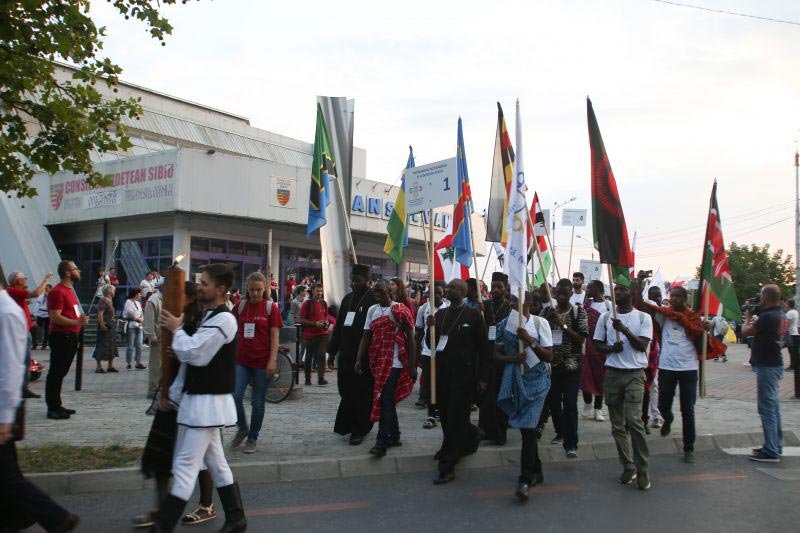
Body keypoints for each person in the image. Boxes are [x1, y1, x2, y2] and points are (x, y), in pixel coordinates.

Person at [157, 263, 246, 532]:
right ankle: (236, 518)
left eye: (205, 283)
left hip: (206, 405)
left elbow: (196, 354)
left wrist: (177, 330)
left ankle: (161, 527)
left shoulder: (224, 319)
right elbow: (188, 362)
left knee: (184, 466)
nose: (199, 286)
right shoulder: (205, 317)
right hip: (197, 402)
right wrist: (172, 396)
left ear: (220, 289)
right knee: (216, 463)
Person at [0, 264, 80, 533]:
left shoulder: (7, 310)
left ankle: (53, 517)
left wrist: (6, 417)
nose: (78, 270)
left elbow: (12, 370)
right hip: (4, 409)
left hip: (3, 410)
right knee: (7, 472)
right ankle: (24, 518)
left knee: (7, 473)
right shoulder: (11, 306)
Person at [133, 281, 217, 529]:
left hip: (196, 398)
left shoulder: (202, 321)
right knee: (161, 457)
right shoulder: (174, 317)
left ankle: (206, 504)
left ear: (189, 298)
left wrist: (179, 345)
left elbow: (200, 354)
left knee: (206, 458)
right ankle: (160, 510)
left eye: (176, 294)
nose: (169, 299)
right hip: (172, 395)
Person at [643, 286, 721, 463]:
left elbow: (702, 331)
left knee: (688, 410)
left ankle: (689, 448)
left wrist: (708, 326)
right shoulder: (664, 315)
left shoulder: (694, 318)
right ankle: (668, 419)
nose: (674, 299)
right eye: (672, 296)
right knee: (663, 405)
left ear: (685, 298)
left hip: (688, 369)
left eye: (678, 296)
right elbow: (646, 308)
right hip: (667, 368)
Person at [593, 283, 653, 491]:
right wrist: (611, 348)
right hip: (612, 374)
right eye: (615, 291)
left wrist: (624, 330)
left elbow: (642, 346)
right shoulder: (605, 317)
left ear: (631, 294)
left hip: (634, 375)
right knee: (617, 425)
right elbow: (597, 344)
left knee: (634, 422)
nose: (617, 293)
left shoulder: (643, 318)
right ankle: (628, 465)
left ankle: (642, 469)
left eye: (622, 290)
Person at [430, 279, 489, 485]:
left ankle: (448, 465)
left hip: (464, 377)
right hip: (443, 374)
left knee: (456, 417)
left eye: (452, 288)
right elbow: (432, 343)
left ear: (463, 292)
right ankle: (472, 435)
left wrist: (482, 377)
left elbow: (483, 349)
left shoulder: (474, 316)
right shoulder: (440, 314)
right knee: (446, 416)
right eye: (447, 288)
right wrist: (431, 329)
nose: (447, 290)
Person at [495, 291, 553, 501]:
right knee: (526, 430)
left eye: (515, 299)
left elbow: (549, 356)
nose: (511, 302)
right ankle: (536, 471)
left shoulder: (540, 324)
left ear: (527, 302)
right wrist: (512, 358)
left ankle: (525, 478)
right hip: (517, 379)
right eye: (510, 299)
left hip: (537, 381)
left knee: (529, 429)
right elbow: (496, 354)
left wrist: (529, 341)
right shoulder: (504, 324)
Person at [356, 280, 416, 457]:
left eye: (380, 291)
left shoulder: (400, 310)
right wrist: (359, 358)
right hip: (378, 362)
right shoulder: (372, 310)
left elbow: (411, 339)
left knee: (385, 399)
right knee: (387, 400)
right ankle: (395, 435)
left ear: (389, 292)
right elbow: (366, 335)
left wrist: (412, 365)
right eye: (375, 292)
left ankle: (382, 442)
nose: (377, 295)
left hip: (395, 362)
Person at [231, 272, 283, 454]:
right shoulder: (240, 306)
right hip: (242, 360)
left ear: (265, 289)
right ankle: (242, 427)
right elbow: (231, 330)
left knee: (257, 402)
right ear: (247, 288)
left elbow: (276, 336)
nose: (255, 294)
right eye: (252, 290)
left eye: (259, 290)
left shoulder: (270, 308)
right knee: (235, 395)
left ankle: (252, 437)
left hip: (262, 362)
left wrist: (272, 360)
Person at [328, 265, 377, 445]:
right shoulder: (347, 299)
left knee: (362, 394)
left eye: (358, 280)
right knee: (346, 390)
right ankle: (347, 425)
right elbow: (339, 327)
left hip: (364, 357)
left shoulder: (373, 299)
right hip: (346, 355)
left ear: (367, 280)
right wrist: (332, 352)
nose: (354, 284)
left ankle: (359, 429)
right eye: (353, 280)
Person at [543, 279, 588, 458]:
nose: (561, 296)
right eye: (558, 293)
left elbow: (580, 339)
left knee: (570, 404)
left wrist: (562, 325)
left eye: (565, 293)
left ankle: (571, 443)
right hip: (551, 366)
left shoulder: (578, 312)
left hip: (571, 366)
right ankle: (560, 432)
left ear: (571, 293)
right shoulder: (547, 312)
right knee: (554, 403)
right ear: (554, 293)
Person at [742, 285, 787, 462]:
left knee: (767, 408)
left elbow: (746, 332)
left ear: (766, 297)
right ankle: (776, 444)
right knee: (774, 407)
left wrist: (746, 319)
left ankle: (771, 450)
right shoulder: (780, 314)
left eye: (761, 295)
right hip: (775, 362)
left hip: (767, 365)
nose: (759, 299)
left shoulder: (767, 316)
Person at [45, 260, 89, 420]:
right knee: (56, 372)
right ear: (67, 272)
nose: (79, 271)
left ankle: (57, 404)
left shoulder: (70, 291)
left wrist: (80, 319)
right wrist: (77, 322)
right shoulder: (58, 291)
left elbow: (71, 313)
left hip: (71, 335)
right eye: (76, 269)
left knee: (61, 372)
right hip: (62, 336)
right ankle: (52, 407)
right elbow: (55, 317)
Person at [7, 270, 54, 400]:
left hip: (23, 331)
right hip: (19, 333)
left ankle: (23, 388)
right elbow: (36, 293)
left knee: (25, 361)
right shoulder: (13, 290)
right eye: (24, 278)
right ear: (17, 281)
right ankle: (18, 389)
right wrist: (46, 280)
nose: (26, 279)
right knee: (21, 362)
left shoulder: (15, 293)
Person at [478, 272, 512, 445]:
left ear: (506, 289)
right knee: (486, 396)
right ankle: (485, 431)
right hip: (486, 354)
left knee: (501, 395)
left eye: (500, 286)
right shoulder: (484, 305)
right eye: (494, 286)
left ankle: (500, 433)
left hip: (503, 356)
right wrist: (480, 314)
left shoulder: (510, 308)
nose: (496, 289)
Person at [415, 281, 449, 429]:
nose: (436, 296)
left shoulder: (448, 309)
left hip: (444, 353)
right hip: (428, 352)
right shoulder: (423, 308)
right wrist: (417, 353)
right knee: (429, 384)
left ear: (443, 294)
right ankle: (431, 413)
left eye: (439, 293)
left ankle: (441, 412)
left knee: (442, 384)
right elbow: (419, 331)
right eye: (433, 293)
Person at [580, 279, 611, 422]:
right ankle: (587, 404)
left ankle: (598, 409)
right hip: (587, 344)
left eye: (590, 287)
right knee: (586, 375)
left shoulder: (608, 305)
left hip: (601, 346)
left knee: (601, 378)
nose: (587, 289)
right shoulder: (586, 304)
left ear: (598, 289)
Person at [300, 283, 330, 386]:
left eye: (321, 291)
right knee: (309, 357)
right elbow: (302, 320)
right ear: (312, 291)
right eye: (317, 291)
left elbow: (326, 317)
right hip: (310, 335)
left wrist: (325, 323)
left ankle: (321, 378)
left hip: (323, 334)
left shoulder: (324, 303)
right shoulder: (307, 304)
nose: (319, 293)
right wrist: (315, 323)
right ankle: (307, 379)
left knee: (321, 355)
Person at [144, 280, 164, 397]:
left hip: (167, 337)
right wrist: (151, 335)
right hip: (157, 337)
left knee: (164, 365)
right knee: (156, 365)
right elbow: (149, 319)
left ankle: (161, 388)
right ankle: (153, 390)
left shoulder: (169, 298)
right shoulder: (153, 299)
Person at [93, 284, 118, 373]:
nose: (114, 292)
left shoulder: (110, 300)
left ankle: (110, 365)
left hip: (110, 325)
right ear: (110, 291)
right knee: (102, 344)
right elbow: (100, 313)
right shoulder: (103, 300)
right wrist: (102, 324)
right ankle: (98, 366)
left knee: (111, 344)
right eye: (113, 290)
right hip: (105, 325)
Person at [124, 287, 146, 370]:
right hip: (131, 326)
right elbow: (130, 313)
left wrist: (142, 321)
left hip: (139, 326)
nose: (140, 295)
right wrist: (138, 320)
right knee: (130, 345)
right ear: (136, 294)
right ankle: (129, 363)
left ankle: (138, 362)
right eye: (139, 293)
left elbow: (141, 313)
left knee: (139, 345)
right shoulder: (128, 302)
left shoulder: (137, 303)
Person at [32, 284, 52, 350]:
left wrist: (48, 297)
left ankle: (44, 344)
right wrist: (35, 313)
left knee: (46, 330)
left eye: (47, 288)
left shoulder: (52, 296)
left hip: (47, 315)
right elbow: (38, 304)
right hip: (40, 314)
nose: (46, 289)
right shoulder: (41, 296)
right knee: (38, 328)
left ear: (50, 289)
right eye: (45, 288)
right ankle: (35, 343)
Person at [783, 300, 798, 371]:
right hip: (795, 332)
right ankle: (795, 365)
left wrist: (783, 331)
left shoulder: (790, 313)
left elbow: (787, 324)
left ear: (789, 304)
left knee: (791, 351)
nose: (785, 305)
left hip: (790, 333)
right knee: (793, 350)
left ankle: (793, 366)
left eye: (786, 304)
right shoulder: (795, 311)